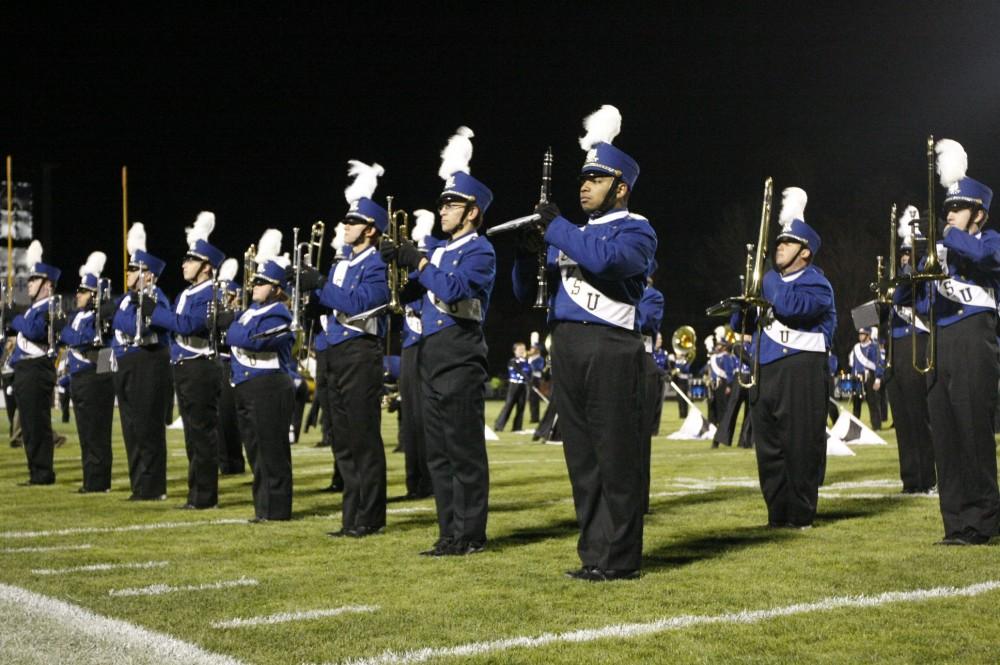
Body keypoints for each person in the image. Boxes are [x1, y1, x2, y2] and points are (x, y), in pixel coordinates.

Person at [513, 105, 656, 581]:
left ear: (621, 188)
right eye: (584, 178)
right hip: (568, 347)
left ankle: (619, 559)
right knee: (583, 459)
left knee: (616, 456)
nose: (584, 185)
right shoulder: (568, 236)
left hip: (612, 348)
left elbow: (608, 263)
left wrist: (555, 229)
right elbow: (525, 295)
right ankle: (594, 555)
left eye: (597, 179)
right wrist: (525, 255)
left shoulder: (637, 230)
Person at [383, 126, 496, 556]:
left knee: (463, 449)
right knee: (438, 453)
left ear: (471, 212)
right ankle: (449, 531)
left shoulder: (480, 250)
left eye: (452, 204)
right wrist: (396, 267)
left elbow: (453, 290)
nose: (443, 210)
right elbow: (413, 294)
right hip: (429, 355)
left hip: (460, 354)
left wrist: (419, 260)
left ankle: (471, 534)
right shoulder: (442, 251)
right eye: (444, 202)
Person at [731, 186, 836, 529]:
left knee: (800, 444)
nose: (778, 247)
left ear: (805, 253)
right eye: (778, 242)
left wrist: (766, 280)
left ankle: (801, 514)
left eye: (787, 243)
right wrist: (745, 299)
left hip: (802, 370)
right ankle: (777, 514)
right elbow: (741, 325)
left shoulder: (818, 284)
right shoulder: (770, 285)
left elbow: (791, 307)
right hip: (767, 368)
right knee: (770, 447)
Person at [911, 139, 999, 544]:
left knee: (972, 432)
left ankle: (983, 523)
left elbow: (985, 260)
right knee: (944, 435)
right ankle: (956, 523)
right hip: (939, 341)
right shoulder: (940, 251)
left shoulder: (989, 241)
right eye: (946, 208)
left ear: (978, 214)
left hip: (972, 341)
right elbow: (913, 298)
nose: (948, 214)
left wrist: (947, 239)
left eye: (956, 208)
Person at [299, 160, 390, 538]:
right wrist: (310, 300)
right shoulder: (340, 263)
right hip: (333, 352)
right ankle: (351, 515)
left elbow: (363, 301)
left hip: (359, 352)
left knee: (362, 435)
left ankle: (369, 516)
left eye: (351, 223)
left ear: (369, 230)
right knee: (339, 435)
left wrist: (320, 283)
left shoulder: (378, 262)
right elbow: (332, 305)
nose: (345, 227)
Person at [149, 212, 226, 509]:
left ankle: (205, 497)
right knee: (193, 436)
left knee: (202, 434)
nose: (184, 264)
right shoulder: (189, 292)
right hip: (185, 367)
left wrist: (155, 312)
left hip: (200, 367)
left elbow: (187, 325)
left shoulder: (211, 293)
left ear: (206, 267)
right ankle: (196, 494)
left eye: (190, 261)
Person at [226, 230, 296, 522]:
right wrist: (236, 332)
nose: (254, 285)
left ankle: (276, 510)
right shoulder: (251, 311)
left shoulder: (280, 312)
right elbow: (235, 334)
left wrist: (235, 331)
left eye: (262, 282)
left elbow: (253, 340)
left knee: (272, 449)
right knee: (255, 449)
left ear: (277, 288)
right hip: (246, 384)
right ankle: (263, 508)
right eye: (255, 281)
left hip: (268, 385)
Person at [112, 224, 171, 501]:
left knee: (148, 427)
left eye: (133, 270)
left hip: (148, 362)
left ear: (147, 274)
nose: (128, 273)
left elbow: (138, 325)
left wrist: (120, 317)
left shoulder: (157, 297)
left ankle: (153, 486)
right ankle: (139, 485)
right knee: (131, 428)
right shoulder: (126, 299)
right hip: (126, 362)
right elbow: (117, 327)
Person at [885, 206, 935, 494]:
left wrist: (909, 275)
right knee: (902, 418)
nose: (904, 258)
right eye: (902, 254)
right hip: (895, 345)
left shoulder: (923, 276)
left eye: (908, 254)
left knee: (919, 415)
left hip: (917, 342)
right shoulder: (898, 278)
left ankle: (926, 477)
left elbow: (926, 306)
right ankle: (910, 479)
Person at [59, 251, 115, 493]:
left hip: (96, 377)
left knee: (96, 431)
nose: (78, 295)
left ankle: (98, 482)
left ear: (94, 295)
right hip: (80, 377)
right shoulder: (78, 316)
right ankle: (90, 479)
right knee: (85, 432)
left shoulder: (101, 315)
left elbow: (82, 340)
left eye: (83, 291)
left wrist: (67, 334)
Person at [8, 241, 62, 485]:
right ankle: (36, 472)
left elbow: (35, 331)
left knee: (37, 425)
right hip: (25, 369)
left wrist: (14, 317)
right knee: (28, 426)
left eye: (34, 280)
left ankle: (43, 473)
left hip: (37, 369)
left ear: (47, 285)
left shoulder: (51, 306)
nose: (29, 284)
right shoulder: (33, 309)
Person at [397, 210, 435, 499]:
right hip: (410, 345)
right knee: (409, 419)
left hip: (428, 344)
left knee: (426, 418)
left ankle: (429, 482)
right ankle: (415, 482)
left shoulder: (432, 265)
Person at [215, 259, 246, 475]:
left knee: (228, 417)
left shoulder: (238, 313)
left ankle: (233, 463)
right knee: (218, 418)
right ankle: (224, 461)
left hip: (229, 362)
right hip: (214, 360)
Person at [638, 272, 664, 513]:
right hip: (614, 360)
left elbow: (644, 320)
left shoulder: (652, 296)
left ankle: (638, 501)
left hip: (641, 361)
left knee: (637, 438)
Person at [849, 326, 883, 430]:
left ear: (868, 335)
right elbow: (854, 364)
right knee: (856, 403)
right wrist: (852, 378)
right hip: (857, 377)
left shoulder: (874, 347)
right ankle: (855, 426)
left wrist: (878, 378)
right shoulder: (856, 347)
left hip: (869, 376)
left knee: (872, 401)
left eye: (863, 334)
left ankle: (876, 425)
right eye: (860, 334)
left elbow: (879, 363)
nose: (860, 336)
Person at [493, 342, 531, 433]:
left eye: (523, 349)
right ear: (515, 351)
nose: (522, 351)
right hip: (514, 386)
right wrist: (525, 376)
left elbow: (530, 372)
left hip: (523, 386)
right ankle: (499, 425)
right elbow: (517, 369)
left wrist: (529, 380)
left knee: (521, 407)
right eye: (519, 349)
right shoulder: (512, 361)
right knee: (509, 405)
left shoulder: (526, 362)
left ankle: (517, 427)